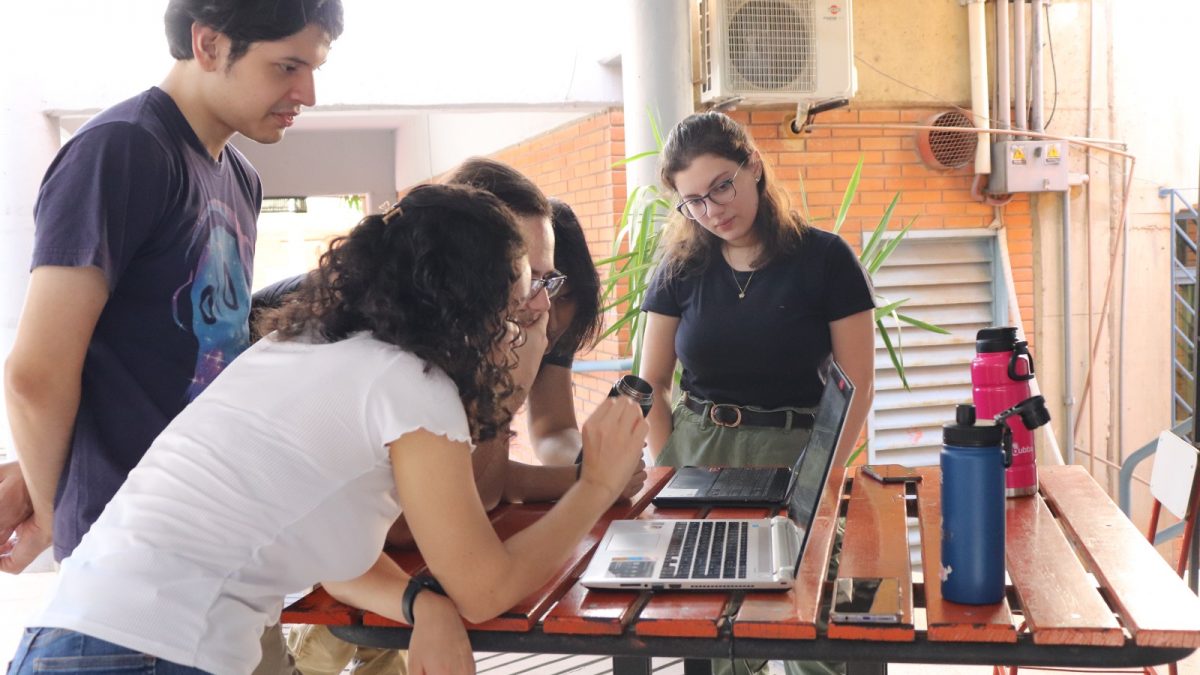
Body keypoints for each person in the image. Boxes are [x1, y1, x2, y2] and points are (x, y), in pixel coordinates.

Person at [7, 184, 649, 675]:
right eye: (527, 287)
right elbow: (486, 589)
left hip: (68, 639)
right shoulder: (411, 384)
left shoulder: (304, 345)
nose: (539, 305)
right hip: (154, 651)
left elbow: (332, 556)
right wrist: (595, 484)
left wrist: (421, 601)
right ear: (469, 297)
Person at [639, 111, 876, 675]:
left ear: (754, 167)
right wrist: (663, 466)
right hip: (700, 456)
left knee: (812, 640)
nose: (712, 209)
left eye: (722, 185)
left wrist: (826, 476)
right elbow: (651, 382)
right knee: (718, 645)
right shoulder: (680, 266)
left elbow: (857, 383)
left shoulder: (825, 258)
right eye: (693, 200)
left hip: (800, 455)